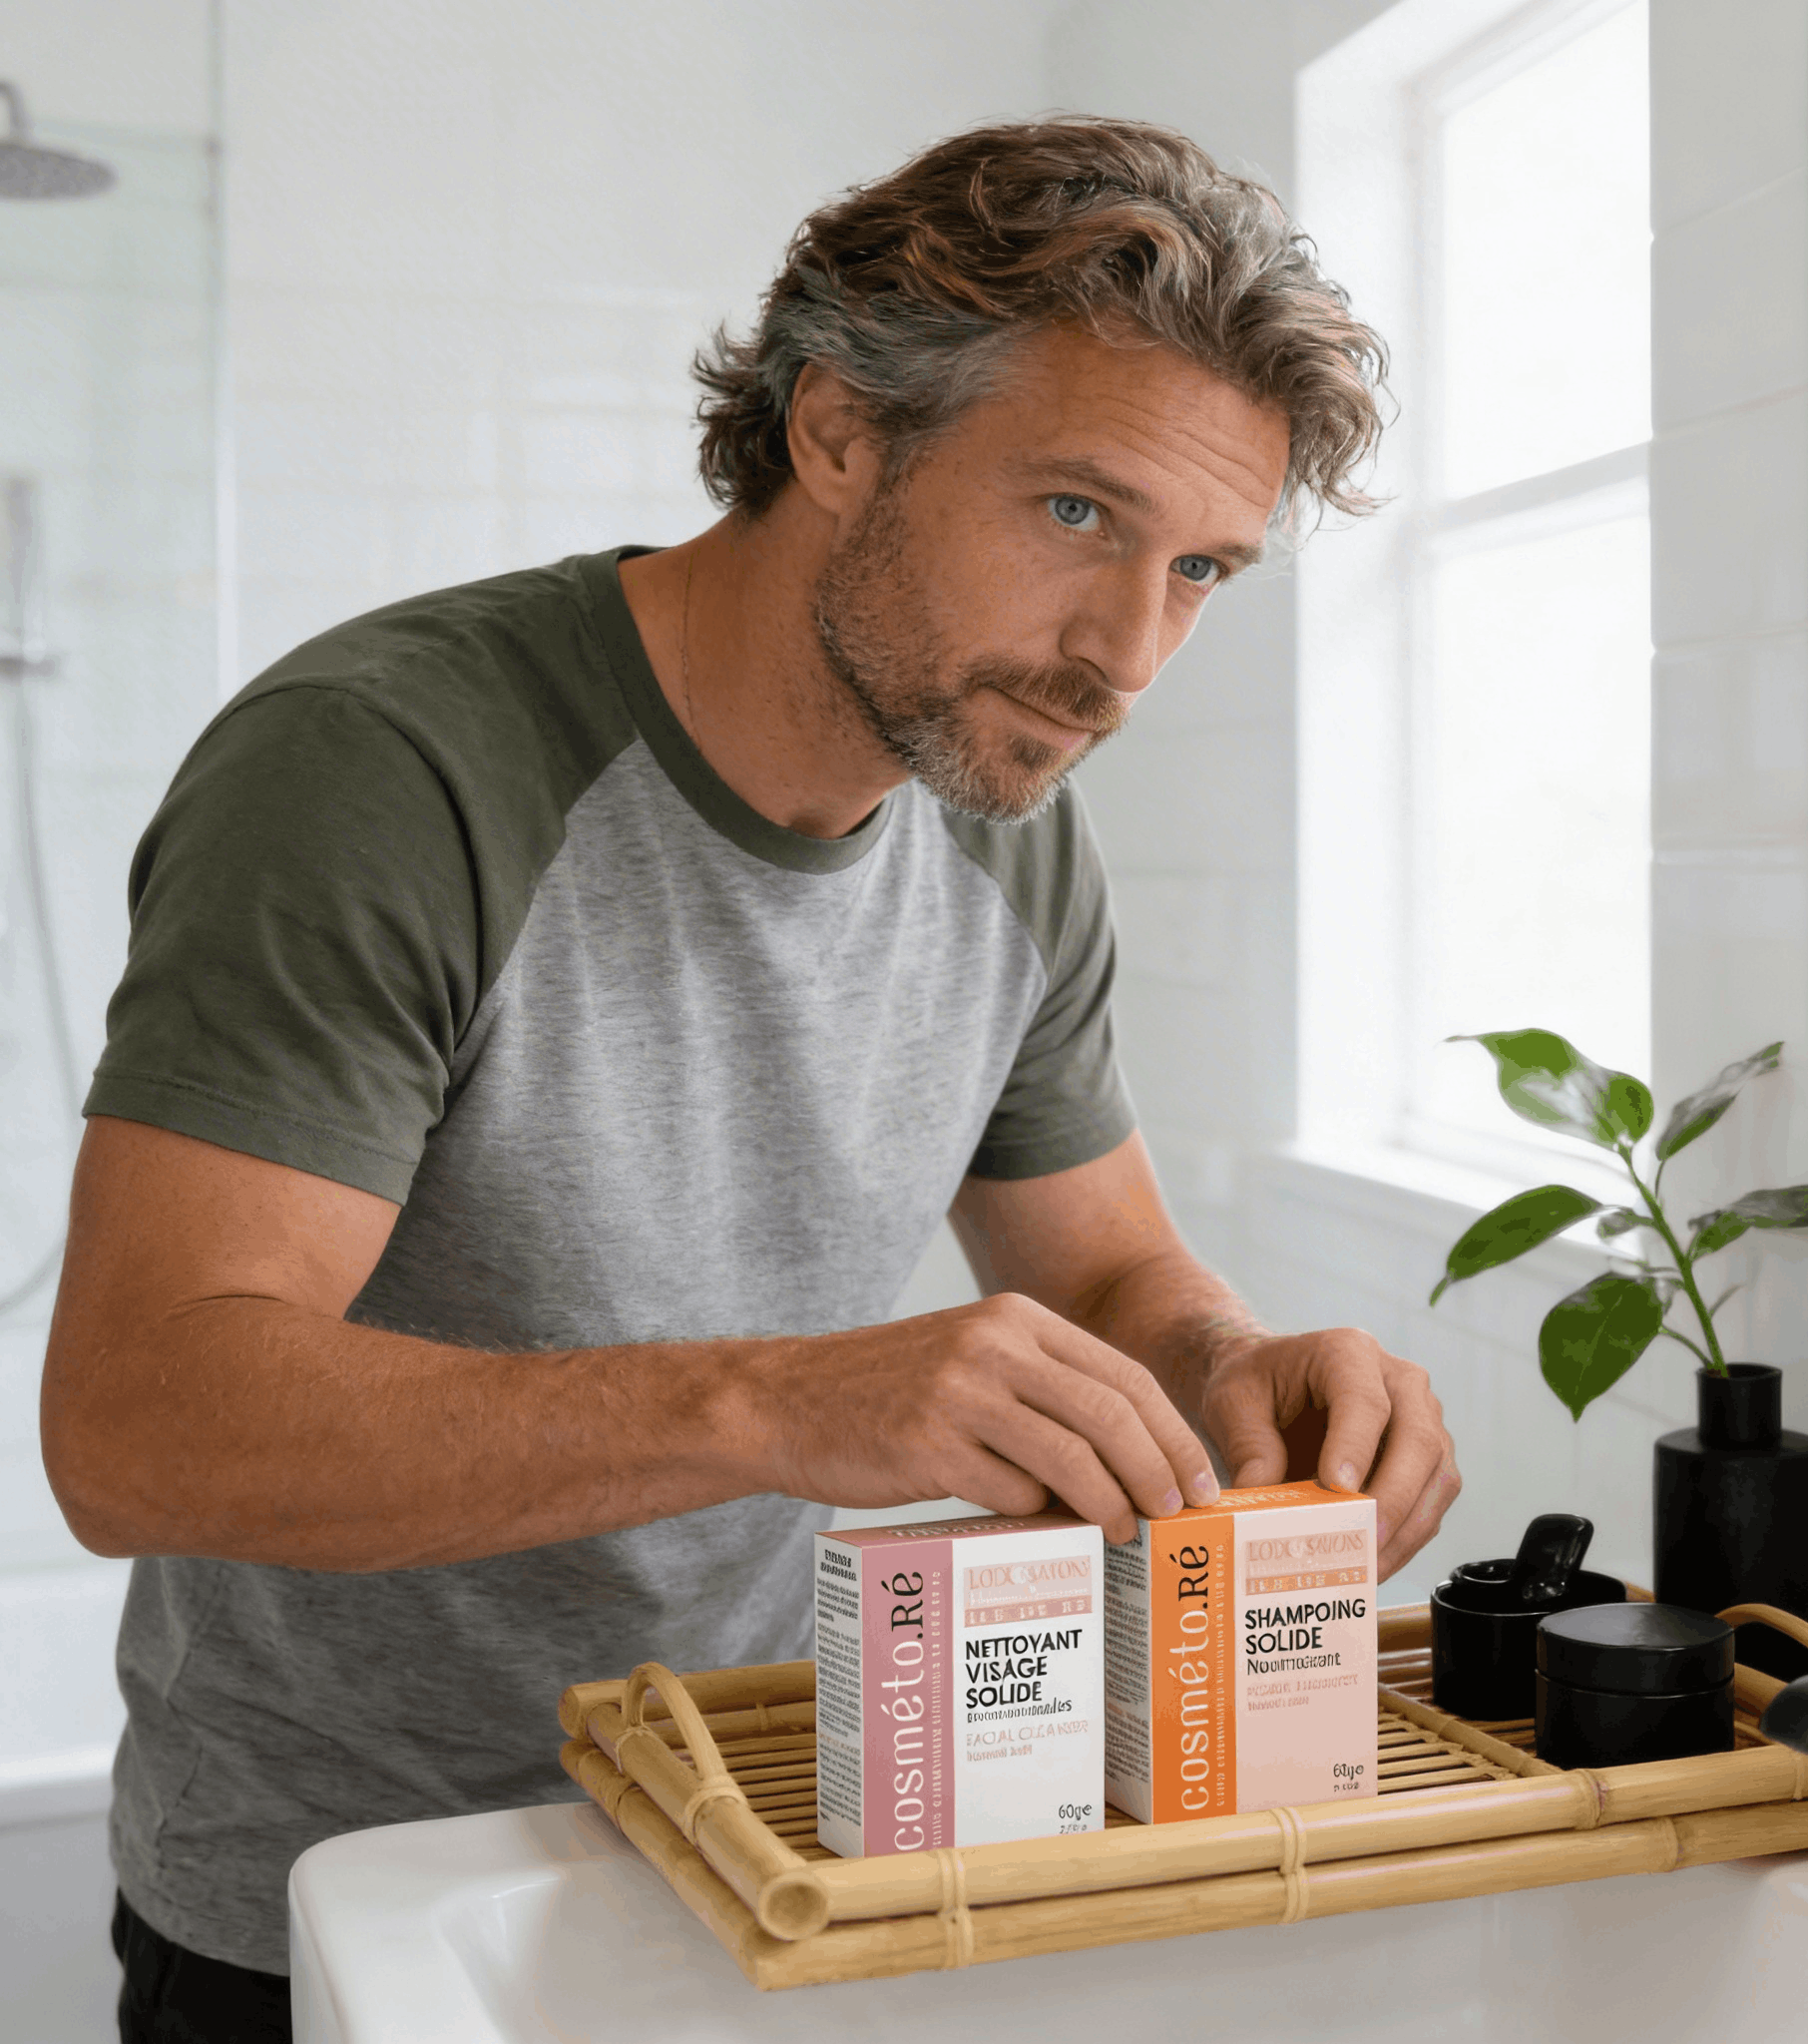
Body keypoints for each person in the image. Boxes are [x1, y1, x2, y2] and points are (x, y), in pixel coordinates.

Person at [41, 117, 1459, 2041]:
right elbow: (136, 1425)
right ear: (839, 432)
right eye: (1075, 517)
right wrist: (774, 1400)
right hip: (351, 1891)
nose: (1127, 654)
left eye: (1201, 567)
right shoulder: (384, 770)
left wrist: (1231, 1365)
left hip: (764, 1843)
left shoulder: (1002, 816)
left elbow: (1111, 1272)